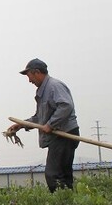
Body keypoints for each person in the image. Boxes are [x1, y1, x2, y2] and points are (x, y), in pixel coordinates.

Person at [5, 58, 80, 191]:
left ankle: (61, 203)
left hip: (65, 134)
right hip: (60, 136)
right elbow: (40, 118)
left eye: (30, 77)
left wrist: (50, 124)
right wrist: (22, 124)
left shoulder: (54, 86)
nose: (29, 81)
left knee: (54, 175)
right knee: (62, 175)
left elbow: (66, 106)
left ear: (37, 73)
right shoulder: (43, 91)